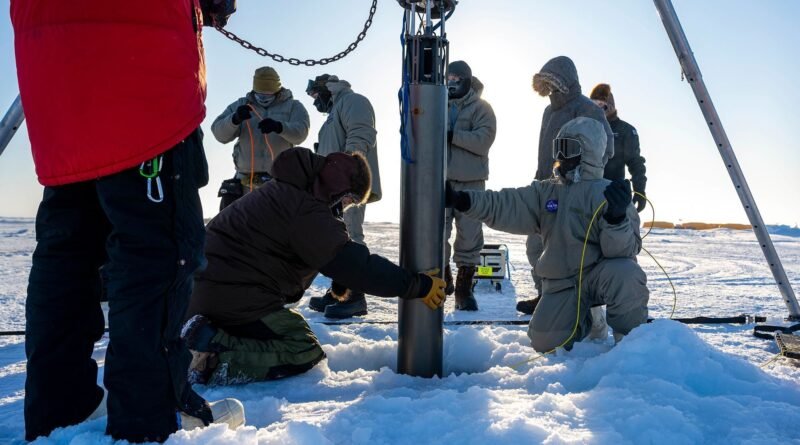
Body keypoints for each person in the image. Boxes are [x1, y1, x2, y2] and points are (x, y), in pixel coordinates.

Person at [11, 1, 244, 442]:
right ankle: (151, 418)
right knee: (155, 254)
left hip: (50, 58)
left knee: (68, 251)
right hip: (139, 60)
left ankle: (61, 411)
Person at [182, 147, 445, 385]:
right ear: (339, 187)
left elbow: (330, 249)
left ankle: (204, 336)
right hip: (229, 295)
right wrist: (416, 285)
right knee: (302, 347)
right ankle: (208, 356)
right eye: (349, 200)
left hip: (206, 292)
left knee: (278, 332)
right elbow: (356, 266)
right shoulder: (304, 207)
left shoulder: (289, 190)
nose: (345, 208)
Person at [445, 117, 649, 352]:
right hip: (563, 282)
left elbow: (624, 252)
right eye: (558, 148)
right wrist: (462, 199)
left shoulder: (609, 194)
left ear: (589, 152)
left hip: (600, 276)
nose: (561, 156)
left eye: (569, 148)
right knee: (545, 342)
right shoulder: (547, 191)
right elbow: (506, 203)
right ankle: (590, 319)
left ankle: (630, 343)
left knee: (627, 273)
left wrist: (616, 218)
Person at [517, 56, 615, 315]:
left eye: (554, 81)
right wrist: (539, 178)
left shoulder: (588, 109)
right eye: (546, 82)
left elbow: (608, 149)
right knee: (536, 246)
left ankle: (580, 305)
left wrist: (583, 176)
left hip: (575, 190)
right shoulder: (548, 111)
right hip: (546, 186)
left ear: (567, 81)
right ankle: (544, 297)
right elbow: (544, 151)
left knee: (572, 250)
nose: (550, 87)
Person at [305, 75, 383, 319]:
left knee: (351, 236)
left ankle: (355, 296)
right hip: (334, 186)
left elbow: (361, 134)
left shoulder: (353, 101)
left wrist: (348, 171)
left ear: (326, 89)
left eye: (316, 96)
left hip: (350, 183)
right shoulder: (335, 111)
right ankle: (339, 291)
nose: (315, 101)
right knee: (337, 238)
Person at [211, 66, 310, 210]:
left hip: (279, 183)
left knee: (276, 228)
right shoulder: (241, 105)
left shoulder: (293, 107)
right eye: (260, 94)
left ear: (277, 91)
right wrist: (234, 119)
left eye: (268, 95)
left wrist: (279, 127)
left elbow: (301, 133)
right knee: (241, 228)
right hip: (245, 184)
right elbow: (218, 133)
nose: (263, 98)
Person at [443, 61, 497, 311]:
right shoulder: (437, 105)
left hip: (471, 182)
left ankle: (464, 289)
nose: (452, 83)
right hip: (439, 180)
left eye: (456, 78)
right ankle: (443, 280)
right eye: (449, 78)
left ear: (466, 80)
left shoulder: (482, 109)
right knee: (435, 233)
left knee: (469, 236)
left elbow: (483, 140)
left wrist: (453, 135)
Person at [590, 83, 648, 213]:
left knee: (614, 231)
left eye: (602, 104)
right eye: (595, 104)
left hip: (612, 195)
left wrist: (639, 190)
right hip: (584, 194)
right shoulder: (583, 127)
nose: (599, 108)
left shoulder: (625, 130)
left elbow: (635, 162)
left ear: (611, 105)